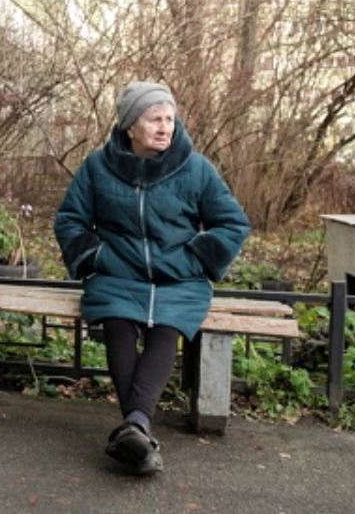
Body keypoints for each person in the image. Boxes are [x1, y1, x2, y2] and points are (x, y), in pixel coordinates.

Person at [53, 82, 249, 475]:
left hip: (179, 280)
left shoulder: (194, 168)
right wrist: (98, 256)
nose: (165, 128)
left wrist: (194, 258)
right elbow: (70, 219)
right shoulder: (97, 166)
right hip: (117, 273)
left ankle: (135, 428)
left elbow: (233, 223)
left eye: (170, 119)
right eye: (154, 119)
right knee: (118, 323)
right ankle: (138, 428)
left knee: (166, 328)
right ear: (130, 126)